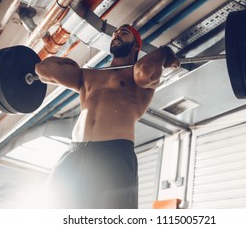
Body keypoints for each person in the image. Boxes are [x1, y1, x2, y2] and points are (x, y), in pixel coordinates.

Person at [35, 24, 180, 208]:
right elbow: (43, 69)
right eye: (115, 33)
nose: (117, 35)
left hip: (113, 154)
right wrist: (68, 63)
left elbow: (146, 70)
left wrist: (164, 52)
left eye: (124, 33)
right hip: (74, 152)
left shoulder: (136, 77)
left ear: (136, 47)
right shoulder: (89, 75)